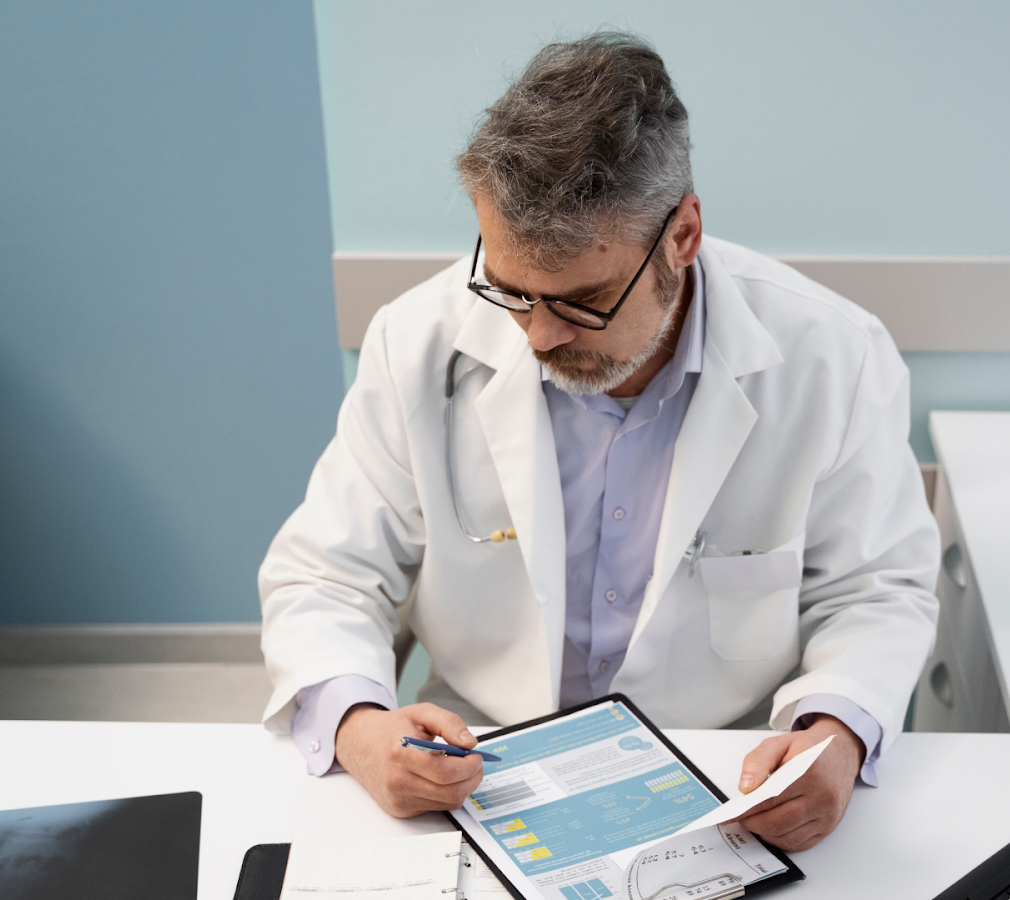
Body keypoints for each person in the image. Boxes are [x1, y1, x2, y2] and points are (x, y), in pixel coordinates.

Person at [259, 32, 938, 852]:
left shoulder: (834, 356)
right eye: (508, 290)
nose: (537, 337)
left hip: (722, 769)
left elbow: (876, 589)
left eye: (581, 300)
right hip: (480, 761)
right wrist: (360, 725)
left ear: (681, 238)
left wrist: (836, 731)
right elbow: (326, 575)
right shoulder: (418, 342)